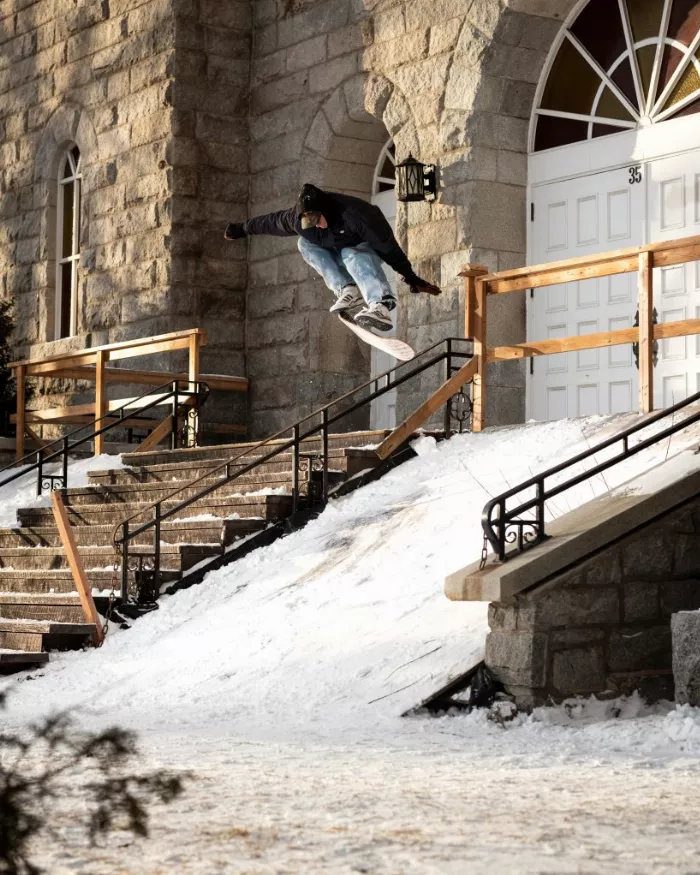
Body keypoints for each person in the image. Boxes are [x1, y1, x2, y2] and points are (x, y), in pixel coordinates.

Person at [224, 183, 441, 333]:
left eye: (318, 219)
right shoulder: (297, 219)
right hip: (336, 252)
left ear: (326, 210)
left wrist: (410, 277)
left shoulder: (358, 215)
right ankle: (347, 289)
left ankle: (381, 304)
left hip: (362, 250)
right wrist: (242, 229)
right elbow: (270, 222)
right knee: (304, 243)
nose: (316, 224)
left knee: (352, 254)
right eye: (311, 222)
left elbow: (388, 248)